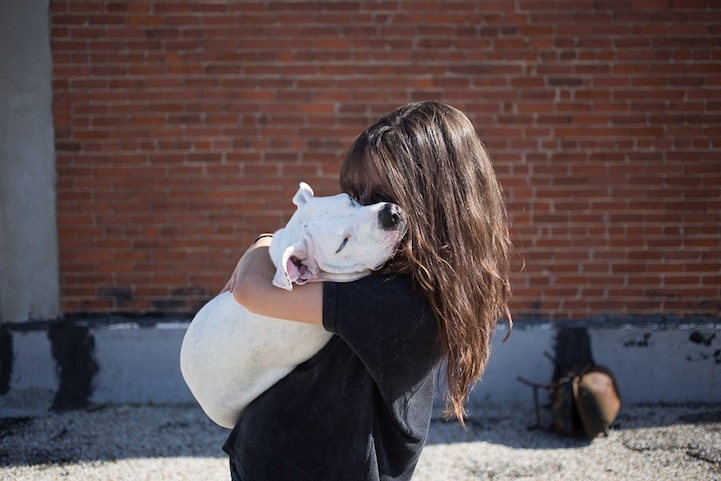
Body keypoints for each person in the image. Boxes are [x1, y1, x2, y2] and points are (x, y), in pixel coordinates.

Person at [221, 101, 512, 481]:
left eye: (380, 199)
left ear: (434, 204)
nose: (362, 211)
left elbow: (249, 288)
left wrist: (266, 242)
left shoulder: (398, 303)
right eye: (356, 194)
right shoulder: (408, 280)